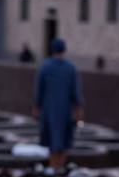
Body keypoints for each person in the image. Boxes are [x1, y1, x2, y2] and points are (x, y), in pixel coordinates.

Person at [34, 38, 83, 169]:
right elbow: (76, 93)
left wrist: (37, 107)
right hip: (66, 110)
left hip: (49, 110)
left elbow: (39, 90)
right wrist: (78, 111)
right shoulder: (70, 68)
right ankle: (60, 167)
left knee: (52, 142)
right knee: (65, 141)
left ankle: (53, 168)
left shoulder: (45, 67)